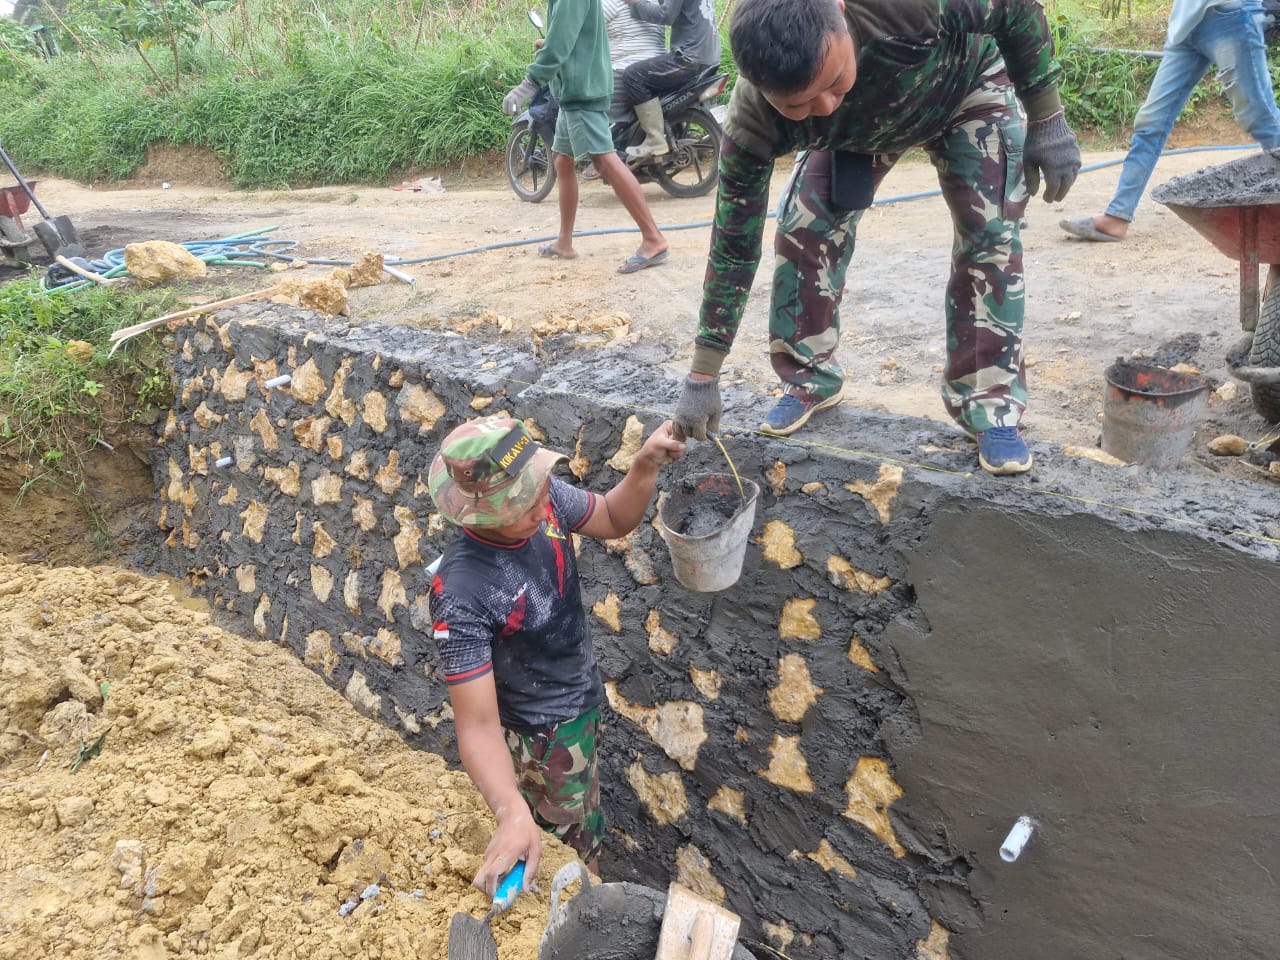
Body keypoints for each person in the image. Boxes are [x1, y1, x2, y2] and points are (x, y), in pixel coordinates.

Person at [671, 0, 1083, 476]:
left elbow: (1017, 9)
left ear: (840, 12)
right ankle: (809, 378)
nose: (824, 106)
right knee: (804, 226)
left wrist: (1047, 117)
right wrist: (703, 374)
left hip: (964, 88)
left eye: (833, 81)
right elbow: (733, 246)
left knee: (990, 238)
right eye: (797, 105)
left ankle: (989, 404)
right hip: (858, 130)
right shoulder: (754, 121)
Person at [426, 414, 684, 893]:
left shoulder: (543, 498)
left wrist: (645, 465)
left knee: (577, 829)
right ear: (486, 513)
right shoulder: (461, 591)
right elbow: (477, 725)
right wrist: (509, 810)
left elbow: (612, 516)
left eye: (542, 488)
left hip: (577, 703)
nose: (545, 506)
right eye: (527, 503)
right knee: (567, 857)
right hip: (540, 736)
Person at [1060, 0, 1280, 243]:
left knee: (1260, 118)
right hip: (1186, 23)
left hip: (1230, 14)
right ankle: (1117, 216)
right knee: (1150, 122)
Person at [503, 0, 670, 273]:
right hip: (572, 90)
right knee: (562, 159)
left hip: (583, 90)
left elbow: (559, 44)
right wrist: (551, 48)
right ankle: (564, 242)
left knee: (604, 160)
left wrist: (527, 86)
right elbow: (570, 35)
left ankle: (654, 239)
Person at [618, 0, 722, 159]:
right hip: (709, 58)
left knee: (633, 76)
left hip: (689, 59)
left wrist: (634, 3)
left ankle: (655, 139)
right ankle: (672, 133)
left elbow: (665, 14)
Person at [581, 0, 667, 181]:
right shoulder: (653, 2)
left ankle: (605, 155)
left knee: (592, 106)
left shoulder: (611, 4)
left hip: (625, 69)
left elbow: (582, 30)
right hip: (659, 66)